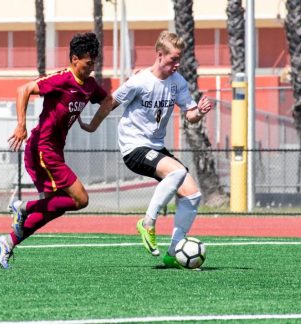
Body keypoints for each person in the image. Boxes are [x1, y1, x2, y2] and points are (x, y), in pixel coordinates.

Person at [79, 31, 212, 269]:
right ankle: (148, 223)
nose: (177, 64)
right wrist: (91, 126)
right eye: (173, 59)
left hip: (155, 148)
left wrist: (199, 112)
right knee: (177, 172)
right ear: (160, 56)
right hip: (133, 146)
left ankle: (173, 252)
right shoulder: (140, 81)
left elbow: (190, 116)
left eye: (179, 59)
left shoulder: (178, 82)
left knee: (192, 194)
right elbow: (110, 103)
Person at [0, 32, 113, 269]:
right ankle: (23, 207)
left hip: (55, 151)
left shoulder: (89, 85)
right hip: (42, 149)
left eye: (95, 63)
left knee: (51, 208)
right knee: (80, 199)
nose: (92, 68)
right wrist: (21, 125)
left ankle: (8, 242)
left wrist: (92, 125)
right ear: (74, 58)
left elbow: (108, 101)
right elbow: (23, 90)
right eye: (88, 63)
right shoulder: (62, 79)